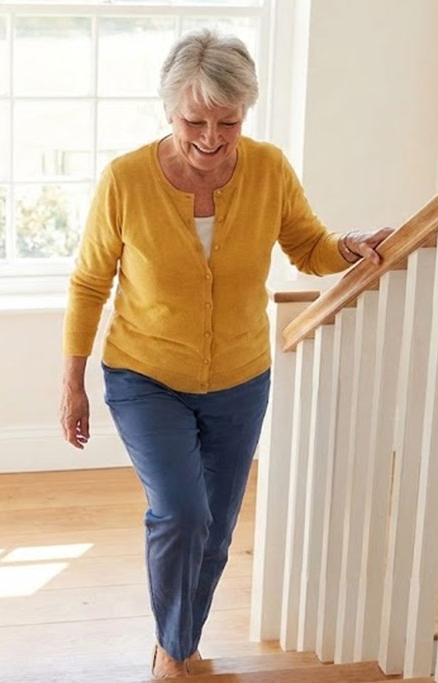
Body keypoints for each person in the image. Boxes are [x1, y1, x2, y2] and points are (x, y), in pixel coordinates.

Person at [59, 29, 391, 679]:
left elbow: (307, 246)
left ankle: (176, 642)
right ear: (168, 109)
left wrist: (347, 246)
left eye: (228, 122)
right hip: (145, 375)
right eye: (195, 120)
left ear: (246, 114)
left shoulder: (268, 168)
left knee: (216, 528)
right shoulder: (125, 180)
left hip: (241, 378)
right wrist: (71, 381)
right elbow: (89, 281)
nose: (211, 138)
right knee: (181, 510)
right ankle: (175, 652)